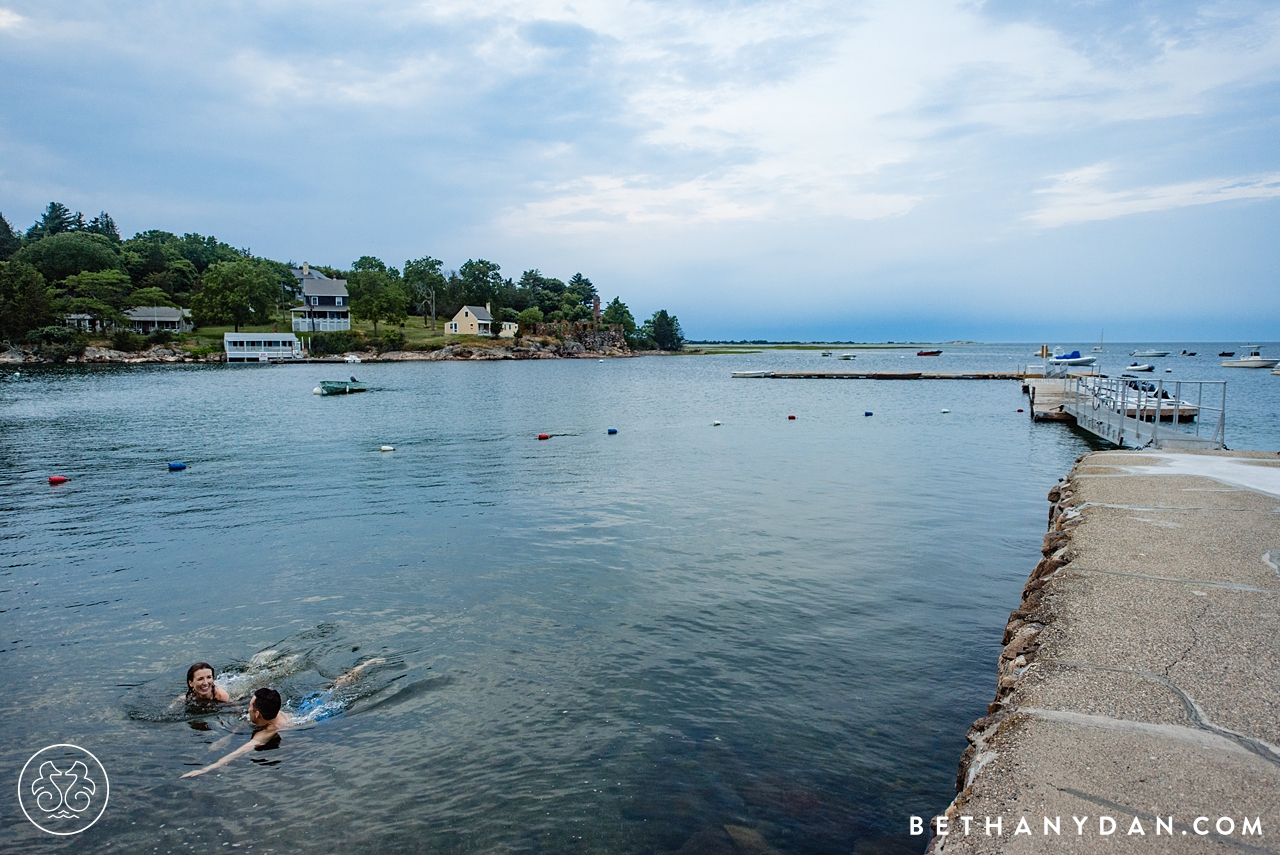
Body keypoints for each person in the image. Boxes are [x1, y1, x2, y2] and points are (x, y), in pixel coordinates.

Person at [179, 658, 384, 778]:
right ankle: (363, 666)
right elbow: (244, 724)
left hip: (315, 716)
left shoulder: (268, 732)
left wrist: (205, 770)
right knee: (330, 688)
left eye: (250, 705)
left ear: (257, 713)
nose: (247, 708)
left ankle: (362, 668)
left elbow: (237, 754)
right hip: (300, 707)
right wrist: (226, 738)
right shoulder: (261, 714)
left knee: (335, 693)